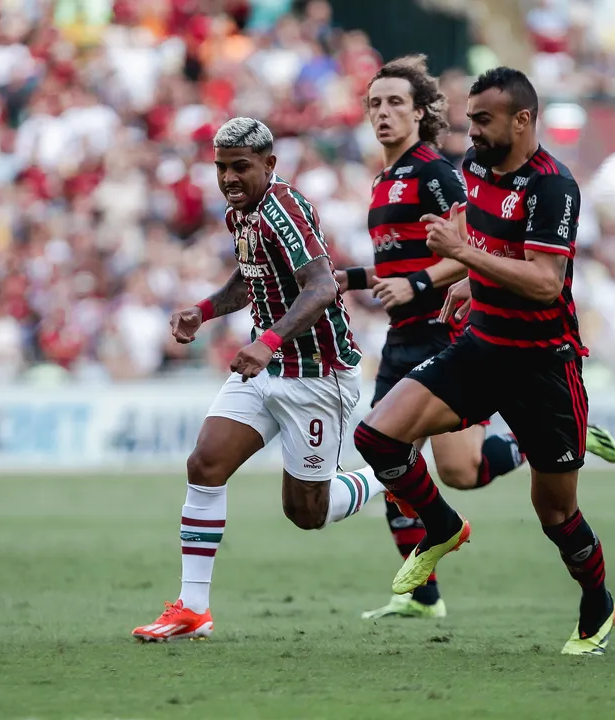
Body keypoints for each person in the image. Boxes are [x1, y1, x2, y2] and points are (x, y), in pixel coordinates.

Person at [339, 56, 615, 621]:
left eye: (483, 122)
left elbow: (544, 283)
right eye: (469, 121)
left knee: (554, 514)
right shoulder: (469, 166)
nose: (471, 135)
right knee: (377, 439)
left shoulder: (553, 186)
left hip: (543, 362)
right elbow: (482, 246)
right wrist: (467, 279)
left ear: (522, 120)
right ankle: (435, 548)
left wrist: (455, 263)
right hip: (480, 348)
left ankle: (597, 602)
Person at [132, 117, 384, 642]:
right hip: (265, 367)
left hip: (317, 375)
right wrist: (203, 310)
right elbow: (252, 280)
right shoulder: (240, 214)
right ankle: (192, 610)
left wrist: (267, 341)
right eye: (221, 167)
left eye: (240, 166)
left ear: (269, 165)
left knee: (306, 513)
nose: (228, 177)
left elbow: (318, 289)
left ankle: (391, 472)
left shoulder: (284, 209)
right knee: (205, 463)